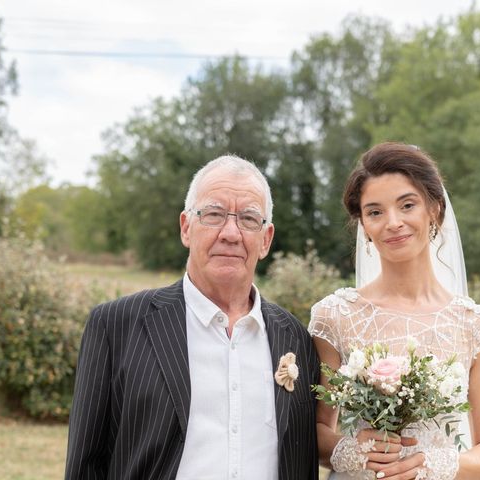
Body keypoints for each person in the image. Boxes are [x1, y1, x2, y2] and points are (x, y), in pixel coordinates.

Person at [65, 155, 320, 480]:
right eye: (213, 215)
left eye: (248, 219)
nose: (231, 233)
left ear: (266, 239)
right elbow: (86, 466)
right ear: (186, 227)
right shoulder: (115, 325)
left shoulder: (295, 338)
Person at [309, 142, 480, 480]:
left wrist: (429, 465)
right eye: (375, 212)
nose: (393, 222)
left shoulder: (478, 325)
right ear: (364, 228)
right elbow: (315, 430)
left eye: (407, 205)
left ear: (435, 211)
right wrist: (354, 452)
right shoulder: (334, 316)